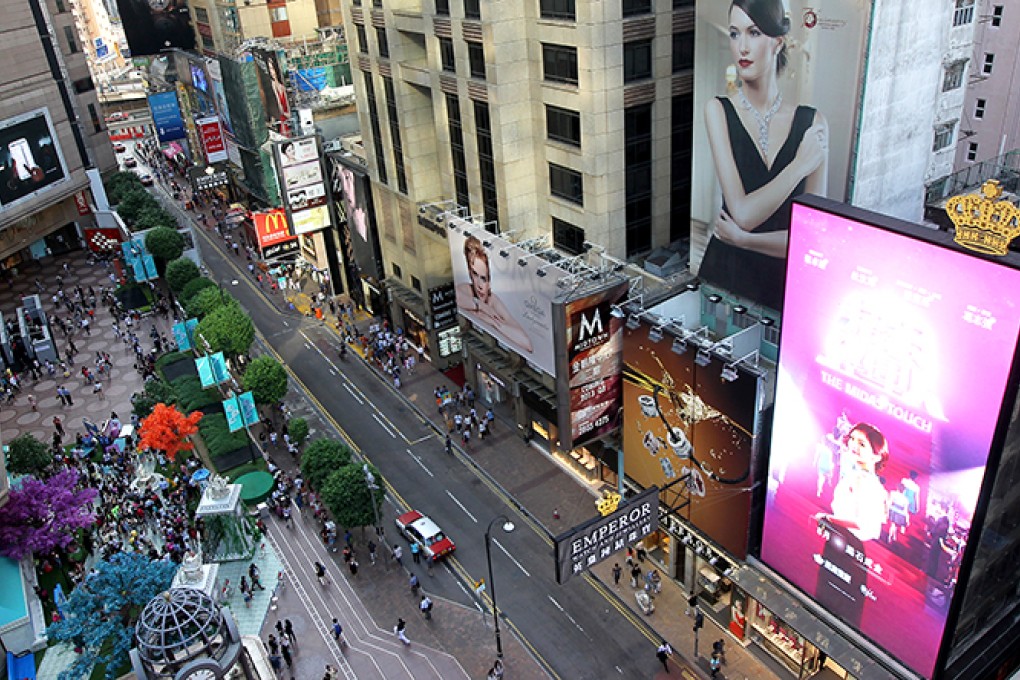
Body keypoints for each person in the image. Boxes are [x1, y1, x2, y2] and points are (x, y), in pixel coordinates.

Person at [698, 0, 829, 311]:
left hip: (784, 285)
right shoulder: (718, 110)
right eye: (734, 34)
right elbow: (742, 213)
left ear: (777, 42)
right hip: (724, 275)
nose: (742, 47)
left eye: (754, 33)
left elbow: (811, 237)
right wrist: (799, 166)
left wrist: (745, 240)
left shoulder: (813, 123)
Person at [815, 422, 890, 627]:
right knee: (823, 598)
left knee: (842, 608)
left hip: (850, 550)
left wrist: (829, 519)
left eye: (862, 444)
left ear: (876, 456)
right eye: (853, 440)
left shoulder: (873, 487)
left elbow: (865, 524)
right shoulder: (853, 475)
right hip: (835, 543)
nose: (854, 446)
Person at [455, 235, 533, 352]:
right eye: (475, 274)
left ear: (489, 281)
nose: (480, 285)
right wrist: (481, 306)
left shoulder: (494, 301)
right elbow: (457, 297)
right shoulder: (467, 289)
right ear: (470, 273)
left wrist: (493, 323)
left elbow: (527, 344)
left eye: (484, 278)